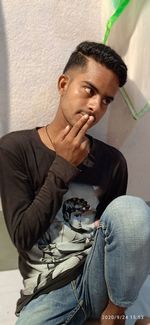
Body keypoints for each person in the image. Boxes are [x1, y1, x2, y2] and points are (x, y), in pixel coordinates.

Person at [0, 41, 150, 325]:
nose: (96, 106)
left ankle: (114, 317)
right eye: (90, 90)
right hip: (47, 290)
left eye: (106, 100)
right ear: (63, 84)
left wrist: (112, 307)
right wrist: (64, 166)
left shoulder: (112, 162)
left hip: (97, 280)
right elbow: (22, 236)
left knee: (131, 209)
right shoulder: (14, 149)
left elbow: (117, 233)